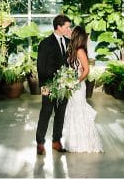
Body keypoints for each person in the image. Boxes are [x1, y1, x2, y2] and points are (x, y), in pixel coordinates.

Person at [63, 26, 104, 153]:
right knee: (72, 110)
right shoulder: (72, 50)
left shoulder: (80, 51)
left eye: (72, 33)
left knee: (79, 109)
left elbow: (86, 70)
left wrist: (76, 81)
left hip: (78, 86)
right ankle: (74, 141)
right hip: (71, 85)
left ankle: (84, 142)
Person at [36, 14, 72, 155]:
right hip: (49, 85)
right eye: (67, 26)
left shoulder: (68, 42)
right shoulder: (45, 43)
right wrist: (44, 87)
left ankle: (56, 141)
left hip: (65, 85)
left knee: (61, 113)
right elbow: (40, 66)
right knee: (46, 113)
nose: (69, 29)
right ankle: (40, 143)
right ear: (59, 27)